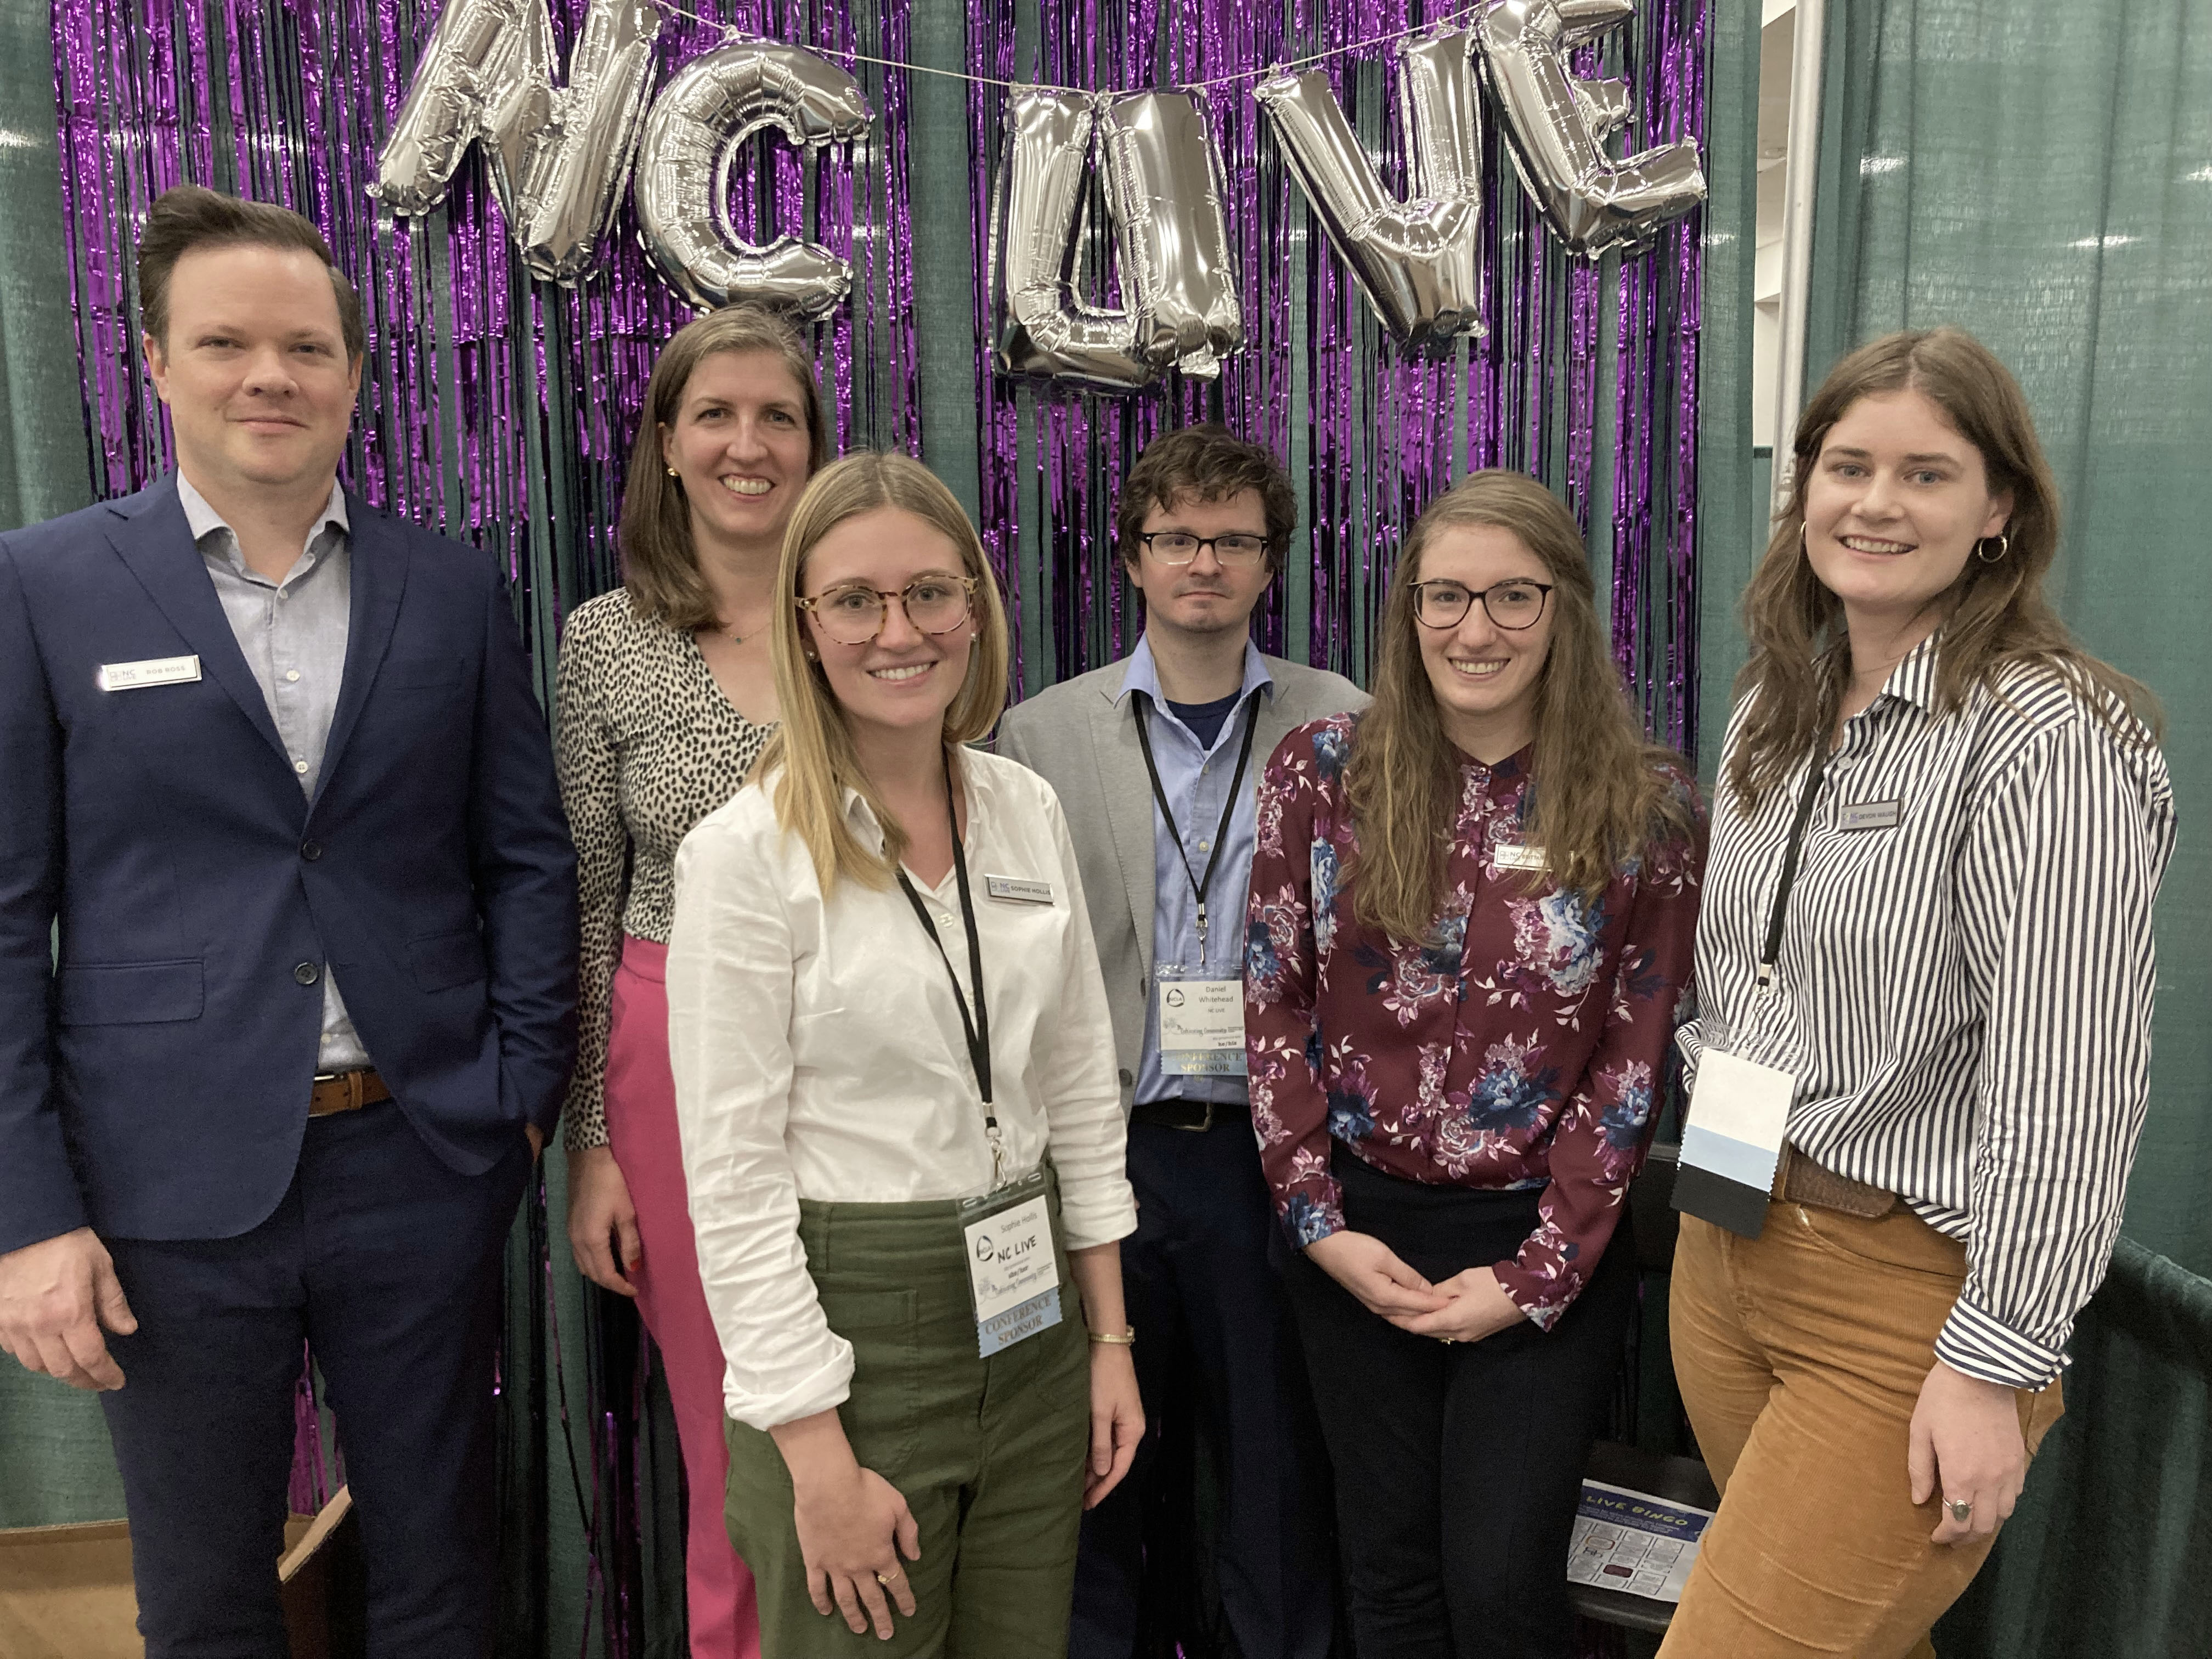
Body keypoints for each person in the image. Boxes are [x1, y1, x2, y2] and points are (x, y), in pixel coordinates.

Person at [0, 185, 576, 1656]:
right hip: (165, 1191)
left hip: (420, 1158)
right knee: (203, 1601)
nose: (272, 375)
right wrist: (30, 1221)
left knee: (441, 1578)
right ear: (154, 362)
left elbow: (525, 860)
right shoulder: (46, 586)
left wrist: (514, 1102)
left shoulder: (449, 590)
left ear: (355, 375)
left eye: (308, 347)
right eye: (228, 342)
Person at [1660, 328, 2173, 1659]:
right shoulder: (1782, 693)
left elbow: (2071, 1086)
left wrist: (1993, 1364)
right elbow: (1745, 989)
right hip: (1727, 1244)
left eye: (1928, 475)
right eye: (1849, 466)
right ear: (1807, 488)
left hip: (1900, 1297)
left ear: (1999, 509)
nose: (1877, 504)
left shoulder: (2045, 738)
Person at [666, 450, 1143, 1657]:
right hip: (855, 1339)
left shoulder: (1021, 806)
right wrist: (816, 1456)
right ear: (804, 625)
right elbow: (729, 1183)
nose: (900, 631)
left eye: (932, 592)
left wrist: (1108, 1344)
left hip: (1035, 1333)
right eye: (856, 601)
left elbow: (1079, 1089)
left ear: (975, 608)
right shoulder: (743, 855)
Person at [1244, 470, 1702, 1658]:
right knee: (1387, 1581)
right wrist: (1315, 1222)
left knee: (1500, 1588)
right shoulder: (1321, 770)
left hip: (1538, 1245)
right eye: (1446, 597)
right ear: (1408, 611)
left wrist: (1542, 1271)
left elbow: (1633, 1061)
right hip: (1357, 1237)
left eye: (1512, 596)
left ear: (1564, 610)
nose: (1476, 629)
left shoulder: (1644, 808)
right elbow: (1274, 999)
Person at [996, 422, 1362, 1659]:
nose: (1202, 561)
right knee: (1101, 1475)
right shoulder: (1038, 738)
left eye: (1232, 540)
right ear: (1133, 559)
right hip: (1108, 1158)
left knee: (1275, 1482)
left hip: (1280, 1162)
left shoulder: (1348, 725)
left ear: (1271, 565)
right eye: (1176, 538)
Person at [556, 302, 833, 1659]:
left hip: (861, 1041)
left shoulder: (870, 612)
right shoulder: (607, 641)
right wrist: (594, 1149)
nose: (746, 443)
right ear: (667, 444)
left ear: (814, 442)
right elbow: (590, 906)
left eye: (776, 416)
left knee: (864, 1400)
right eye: (714, 415)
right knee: (730, 1421)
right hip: (671, 1055)